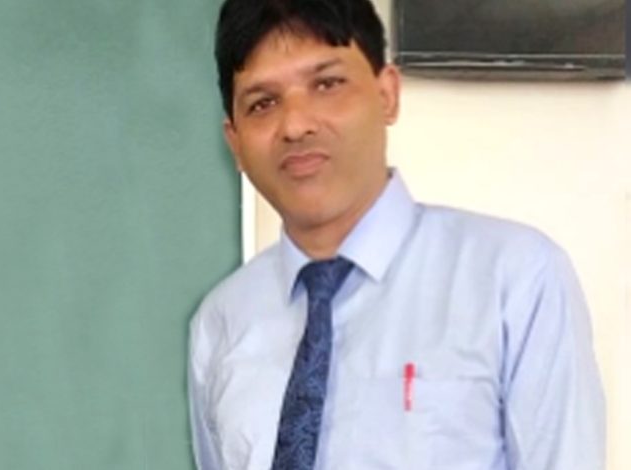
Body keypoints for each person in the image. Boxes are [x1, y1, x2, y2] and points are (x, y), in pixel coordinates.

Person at [188, 0, 605, 468]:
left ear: (387, 93)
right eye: (263, 103)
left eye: (327, 84)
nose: (296, 124)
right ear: (235, 142)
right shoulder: (221, 323)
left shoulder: (515, 280)